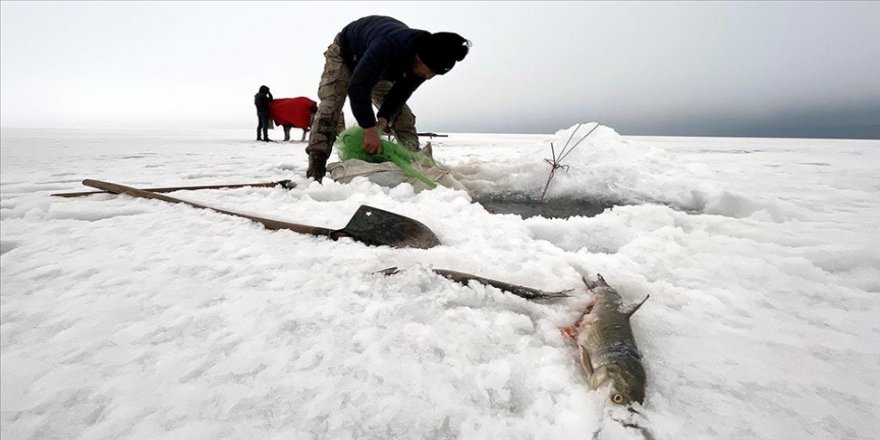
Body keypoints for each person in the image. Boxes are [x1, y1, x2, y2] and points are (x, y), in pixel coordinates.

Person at [305, 15, 470, 182]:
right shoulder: (388, 46)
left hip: (381, 70)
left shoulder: (422, 66)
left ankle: (414, 162)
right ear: (420, 57)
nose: (428, 77)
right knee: (331, 107)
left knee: (402, 117)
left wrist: (384, 118)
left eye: (436, 74)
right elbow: (358, 88)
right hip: (346, 54)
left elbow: (399, 94)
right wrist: (369, 128)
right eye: (430, 71)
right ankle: (316, 164)